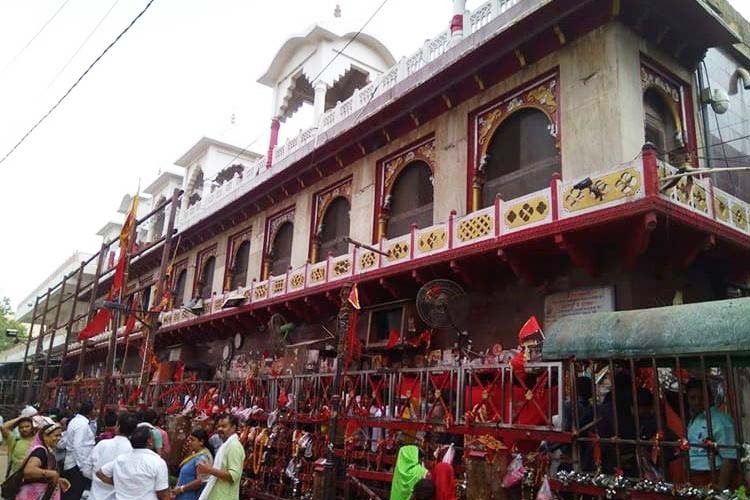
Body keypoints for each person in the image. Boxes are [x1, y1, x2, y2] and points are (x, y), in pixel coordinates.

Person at [685, 378, 738, 489]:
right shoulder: (695, 419)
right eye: (692, 398)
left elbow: (729, 457)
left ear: (710, 398)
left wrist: (720, 487)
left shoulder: (720, 421)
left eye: (701, 398)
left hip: (712, 477)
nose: (697, 402)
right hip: (694, 478)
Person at [96, 426, 170, 500]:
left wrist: (120, 484)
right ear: (149, 441)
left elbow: (100, 473)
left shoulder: (121, 459)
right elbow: (163, 494)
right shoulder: (157, 462)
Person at [88, 412, 138, 500]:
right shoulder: (132, 452)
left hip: (95, 495)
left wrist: (96, 479)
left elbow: (88, 466)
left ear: (117, 426)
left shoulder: (102, 444)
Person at [195, 414, 245, 500]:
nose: (220, 429)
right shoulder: (226, 445)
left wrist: (209, 470)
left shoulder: (234, 446)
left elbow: (233, 476)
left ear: (233, 428)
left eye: (224, 426)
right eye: (218, 426)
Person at [17, 422, 71, 500]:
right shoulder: (40, 451)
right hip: (33, 495)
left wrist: (57, 480)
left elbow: (40, 475)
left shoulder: (48, 452)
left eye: (60, 435)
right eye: (56, 435)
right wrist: (53, 474)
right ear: (45, 437)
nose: (59, 438)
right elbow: (29, 470)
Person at [60, 400, 96, 500]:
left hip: (74, 463)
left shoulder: (76, 421)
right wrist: (83, 467)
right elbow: (77, 447)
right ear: (91, 411)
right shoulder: (81, 424)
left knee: (70, 493)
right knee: (73, 494)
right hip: (76, 465)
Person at [172, 429, 213, 500]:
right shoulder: (196, 455)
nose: (190, 443)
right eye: (189, 440)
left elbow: (200, 481)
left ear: (201, 442)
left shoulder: (202, 458)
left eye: (193, 440)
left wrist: (182, 489)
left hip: (189, 496)